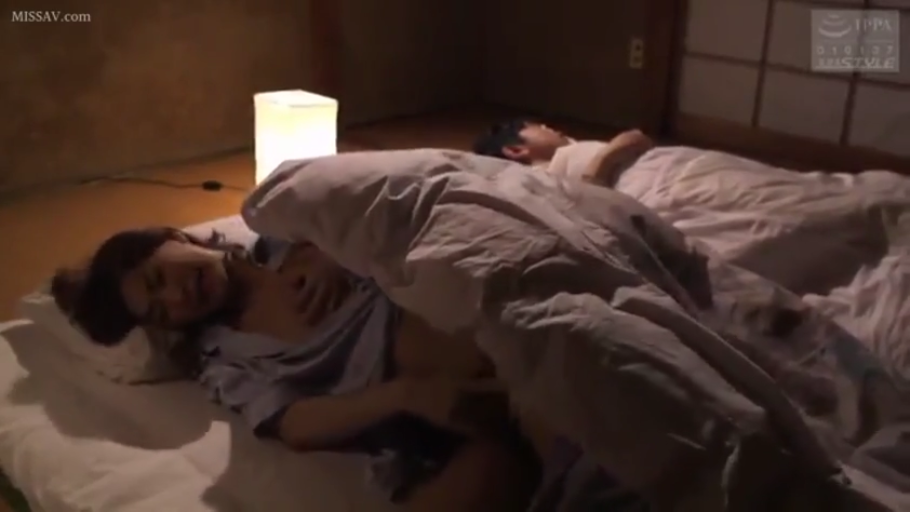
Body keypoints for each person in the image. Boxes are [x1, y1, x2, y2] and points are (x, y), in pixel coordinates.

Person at [50, 227, 641, 512]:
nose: (177, 297)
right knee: (488, 476)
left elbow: (381, 222)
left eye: (161, 277)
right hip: (434, 418)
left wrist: (334, 250)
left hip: (486, 347)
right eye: (160, 310)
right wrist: (404, 395)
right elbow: (291, 422)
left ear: (176, 238)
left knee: (551, 412)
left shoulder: (288, 240)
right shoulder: (221, 354)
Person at [472, 118, 655, 187]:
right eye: (539, 127)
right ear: (515, 149)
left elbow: (636, 137)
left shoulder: (572, 150)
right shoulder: (538, 184)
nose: (548, 127)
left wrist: (599, 166)